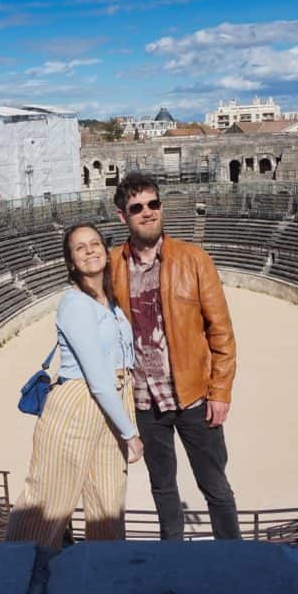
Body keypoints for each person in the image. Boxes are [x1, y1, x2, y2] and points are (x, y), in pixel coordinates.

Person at [109, 172, 241, 540]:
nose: (147, 212)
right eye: (137, 207)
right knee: (163, 488)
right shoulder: (112, 265)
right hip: (143, 401)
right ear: (123, 216)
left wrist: (221, 391)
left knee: (215, 486)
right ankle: (172, 558)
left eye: (153, 204)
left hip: (194, 397)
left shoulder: (193, 259)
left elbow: (221, 332)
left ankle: (235, 556)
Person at [6, 223, 144, 549]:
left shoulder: (109, 302)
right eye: (79, 248)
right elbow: (97, 378)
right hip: (80, 401)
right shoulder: (75, 304)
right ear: (70, 261)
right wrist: (131, 434)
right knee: (50, 497)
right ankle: (17, 566)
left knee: (108, 503)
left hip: (114, 398)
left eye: (95, 243)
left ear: (106, 252)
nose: (90, 250)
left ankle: (103, 571)